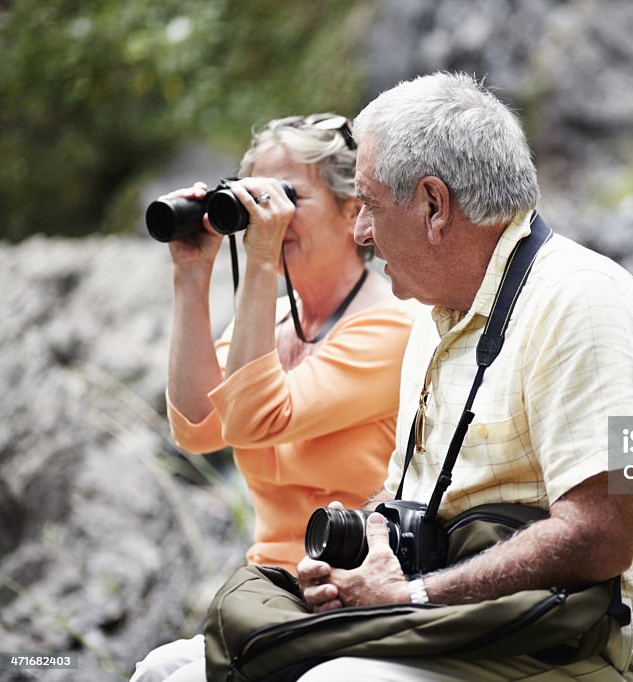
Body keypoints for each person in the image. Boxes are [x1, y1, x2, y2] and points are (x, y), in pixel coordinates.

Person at [295, 73, 633, 681]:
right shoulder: (432, 317)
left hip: (596, 643)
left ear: (433, 204)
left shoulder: (581, 301)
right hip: (461, 621)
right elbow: (410, 492)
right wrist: (366, 554)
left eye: (370, 205)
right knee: (174, 668)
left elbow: (596, 537)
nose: (361, 234)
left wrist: (414, 599)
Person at [131, 113, 418, 682]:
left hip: (346, 595)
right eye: (257, 198)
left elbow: (259, 418)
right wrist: (192, 275)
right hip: (267, 592)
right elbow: (196, 427)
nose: (271, 215)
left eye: (288, 197)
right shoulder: (275, 327)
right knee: (154, 669)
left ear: (352, 210)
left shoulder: (391, 327)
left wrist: (259, 260)